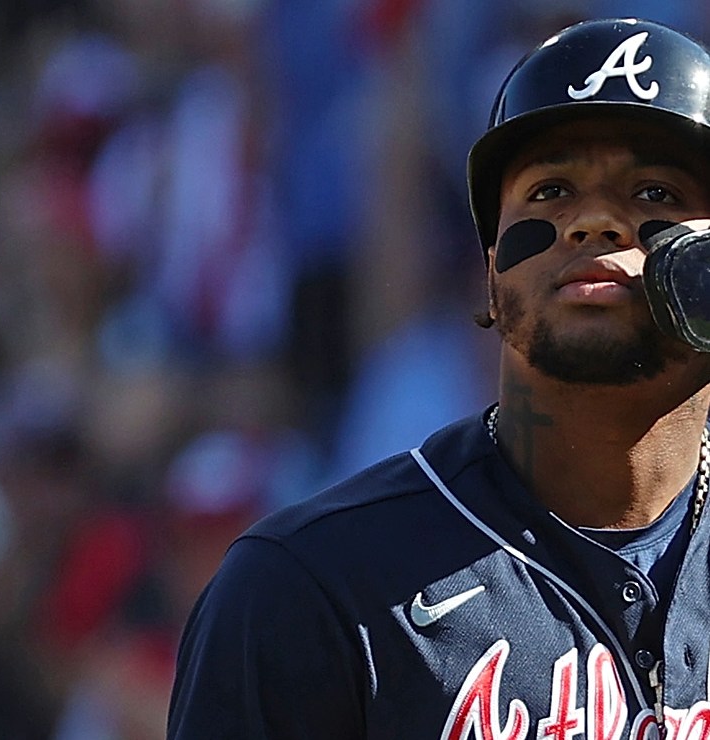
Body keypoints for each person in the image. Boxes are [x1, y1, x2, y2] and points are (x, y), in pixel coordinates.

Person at [168, 17, 710, 739]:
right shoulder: (311, 588)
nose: (593, 222)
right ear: (488, 276)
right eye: (550, 190)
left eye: (655, 192)